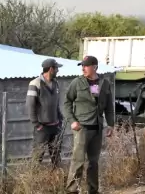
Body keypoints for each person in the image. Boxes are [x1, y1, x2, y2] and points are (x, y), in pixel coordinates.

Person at [63, 55, 115, 194]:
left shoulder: (104, 83)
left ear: (95, 67)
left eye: (86, 65)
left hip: (97, 128)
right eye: (82, 65)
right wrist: (72, 121)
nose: (83, 68)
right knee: (78, 161)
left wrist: (110, 124)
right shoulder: (77, 82)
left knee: (94, 162)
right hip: (82, 128)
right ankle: (72, 190)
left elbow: (109, 106)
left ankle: (93, 190)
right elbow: (67, 103)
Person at [26, 58, 64, 168]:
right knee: (38, 156)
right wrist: (37, 125)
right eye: (56, 68)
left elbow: (56, 104)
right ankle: (32, 179)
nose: (58, 71)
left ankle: (56, 178)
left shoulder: (56, 83)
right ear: (51, 69)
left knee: (56, 155)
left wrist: (60, 120)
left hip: (55, 126)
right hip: (42, 128)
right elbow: (30, 105)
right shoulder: (35, 83)